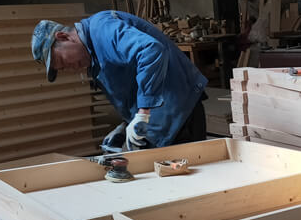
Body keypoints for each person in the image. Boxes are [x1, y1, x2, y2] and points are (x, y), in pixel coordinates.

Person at [31, 10, 208, 151]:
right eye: (63, 70)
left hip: (181, 113)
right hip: (163, 121)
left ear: (63, 37)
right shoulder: (93, 55)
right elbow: (131, 86)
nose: (70, 68)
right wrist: (126, 125)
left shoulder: (103, 29)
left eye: (62, 62)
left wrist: (143, 113)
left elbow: (151, 51)